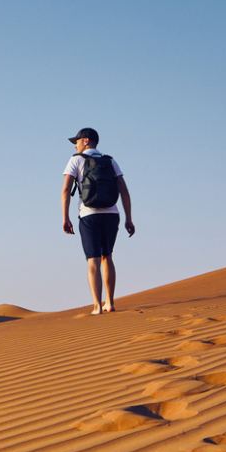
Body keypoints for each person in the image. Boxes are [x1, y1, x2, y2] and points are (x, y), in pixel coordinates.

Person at [61, 127, 135, 314]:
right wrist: (129, 218)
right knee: (107, 256)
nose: (75, 145)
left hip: (89, 215)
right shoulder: (110, 161)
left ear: (86, 141)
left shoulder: (75, 160)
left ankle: (96, 305)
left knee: (92, 260)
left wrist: (65, 217)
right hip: (112, 214)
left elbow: (65, 191)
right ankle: (109, 303)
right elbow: (124, 191)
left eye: (77, 141)